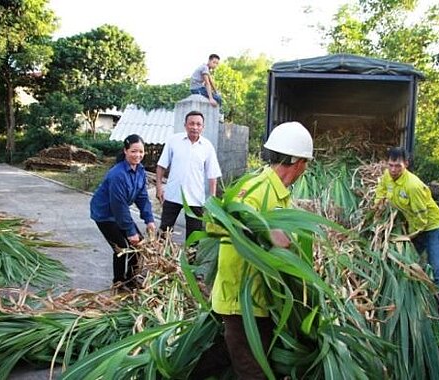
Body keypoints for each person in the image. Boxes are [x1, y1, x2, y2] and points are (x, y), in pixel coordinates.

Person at [204, 121, 314, 379]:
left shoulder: (282, 194)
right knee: (253, 369)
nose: (306, 169)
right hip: (240, 298)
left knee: (227, 355)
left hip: (261, 298)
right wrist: (264, 230)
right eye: (306, 162)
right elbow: (216, 223)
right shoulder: (255, 187)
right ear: (297, 162)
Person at [375, 147, 439, 322]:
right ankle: (415, 300)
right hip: (414, 225)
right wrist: (377, 208)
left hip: (431, 227)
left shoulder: (413, 185)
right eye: (390, 165)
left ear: (406, 165)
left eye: (398, 166)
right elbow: (381, 191)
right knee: (407, 263)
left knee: (438, 270)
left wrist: (408, 237)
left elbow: (421, 219)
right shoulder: (388, 176)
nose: (393, 170)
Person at [90, 134, 156, 289]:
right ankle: (119, 282)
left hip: (119, 212)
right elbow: (118, 206)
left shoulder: (140, 170)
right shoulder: (117, 174)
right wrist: (130, 231)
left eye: (140, 151)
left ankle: (131, 279)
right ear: (125, 151)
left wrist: (149, 219)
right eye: (133, 151)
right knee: (122, 248)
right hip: (105, 214)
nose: (137, 155)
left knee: (138, 245)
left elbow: (142, 197)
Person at [156, 110, 222, 244]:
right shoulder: (174, 141)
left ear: (203, 127)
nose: (195, 127)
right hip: (173, 195)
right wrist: (158, 187)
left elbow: (212, 175)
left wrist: (212, 200)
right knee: (164, 232)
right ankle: (160, 261)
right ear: (185, 125)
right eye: (191, 123)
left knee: (194, 238)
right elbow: (161, 166)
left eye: (198, 124)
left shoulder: (207, 147)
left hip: (195, 198)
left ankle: (190, 263)